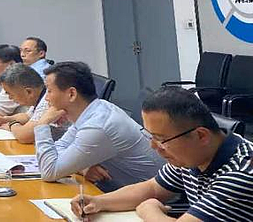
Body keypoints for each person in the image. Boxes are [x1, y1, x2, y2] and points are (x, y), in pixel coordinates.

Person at [71, 86, 253, 221]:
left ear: (201, 135)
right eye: (151, 136)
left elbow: (150, 200)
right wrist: (98, 201)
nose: (154, 146)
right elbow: (152, 188)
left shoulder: (241, 173)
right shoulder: (192, 155)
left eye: (161, 139)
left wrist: (149, 209)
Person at [34, 61, 164, 191]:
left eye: (49, 91)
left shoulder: (98, 126)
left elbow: (49, 171)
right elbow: (60, 148)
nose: (46, 98)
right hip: (122, 189)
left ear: (72, 94)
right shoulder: (95, 109)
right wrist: (81, 167)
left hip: (151, 195)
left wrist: (42, 124)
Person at [0, 63, 68, 143]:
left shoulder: (48, 101)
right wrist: (4, 119)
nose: (10, 98)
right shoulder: (40, 96)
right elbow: (27, 116)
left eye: (11, 94)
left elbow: (25, 136)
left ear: (29, 92)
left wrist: (12, 124)